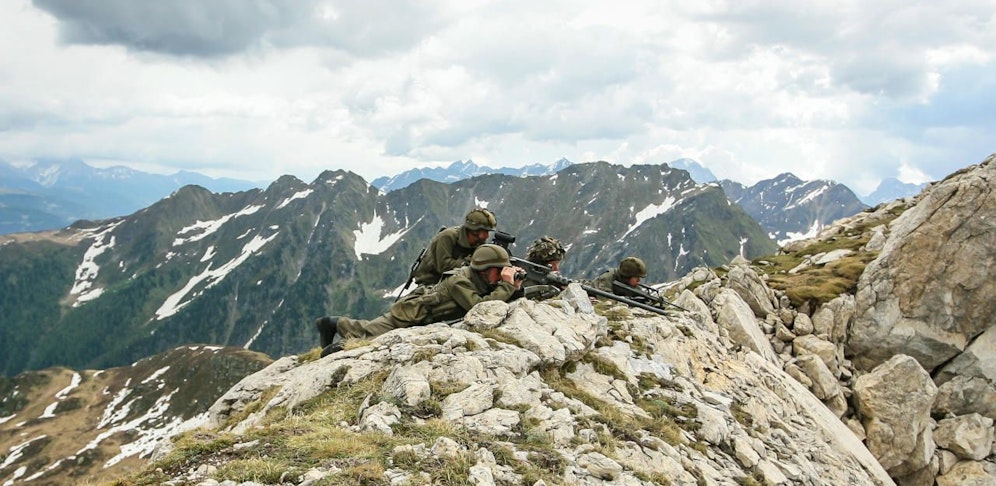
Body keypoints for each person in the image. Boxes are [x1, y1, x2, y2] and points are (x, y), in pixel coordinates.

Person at [316, 244, 524, 357]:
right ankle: (331, 327)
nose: (501, 275)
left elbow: (492, 300)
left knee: (367, 329)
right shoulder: (459, 282)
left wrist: (515, 288)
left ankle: (334, 323)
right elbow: (480, 309)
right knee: (367, 337)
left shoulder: (480, 278)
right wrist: (507, 286)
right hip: (410, 316)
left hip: (424, 321)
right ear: (484, 269)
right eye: (498, 271)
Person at [408, 208, 497, 288]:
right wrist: (467, 264)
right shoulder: (447, 237)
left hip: (454, 280)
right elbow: (443, 266)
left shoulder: (478, 242)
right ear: (475, 230)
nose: (487, 235)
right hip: (431, 281)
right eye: (486, 231)